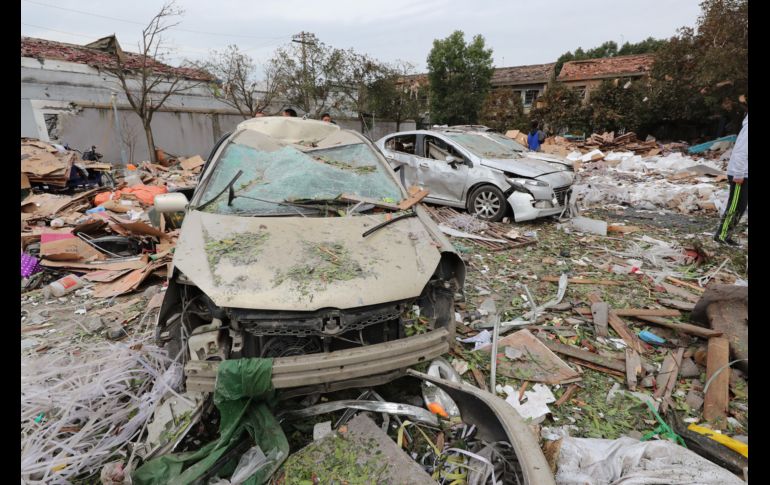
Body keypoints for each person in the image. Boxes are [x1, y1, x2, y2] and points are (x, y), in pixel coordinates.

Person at [714, 114, 748, 246]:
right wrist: (739, 174)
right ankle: (722, 236)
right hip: (740, 174)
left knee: (740, 206)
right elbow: (741, 152)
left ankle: (725, 235)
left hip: (744, 173)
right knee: (736, 206)